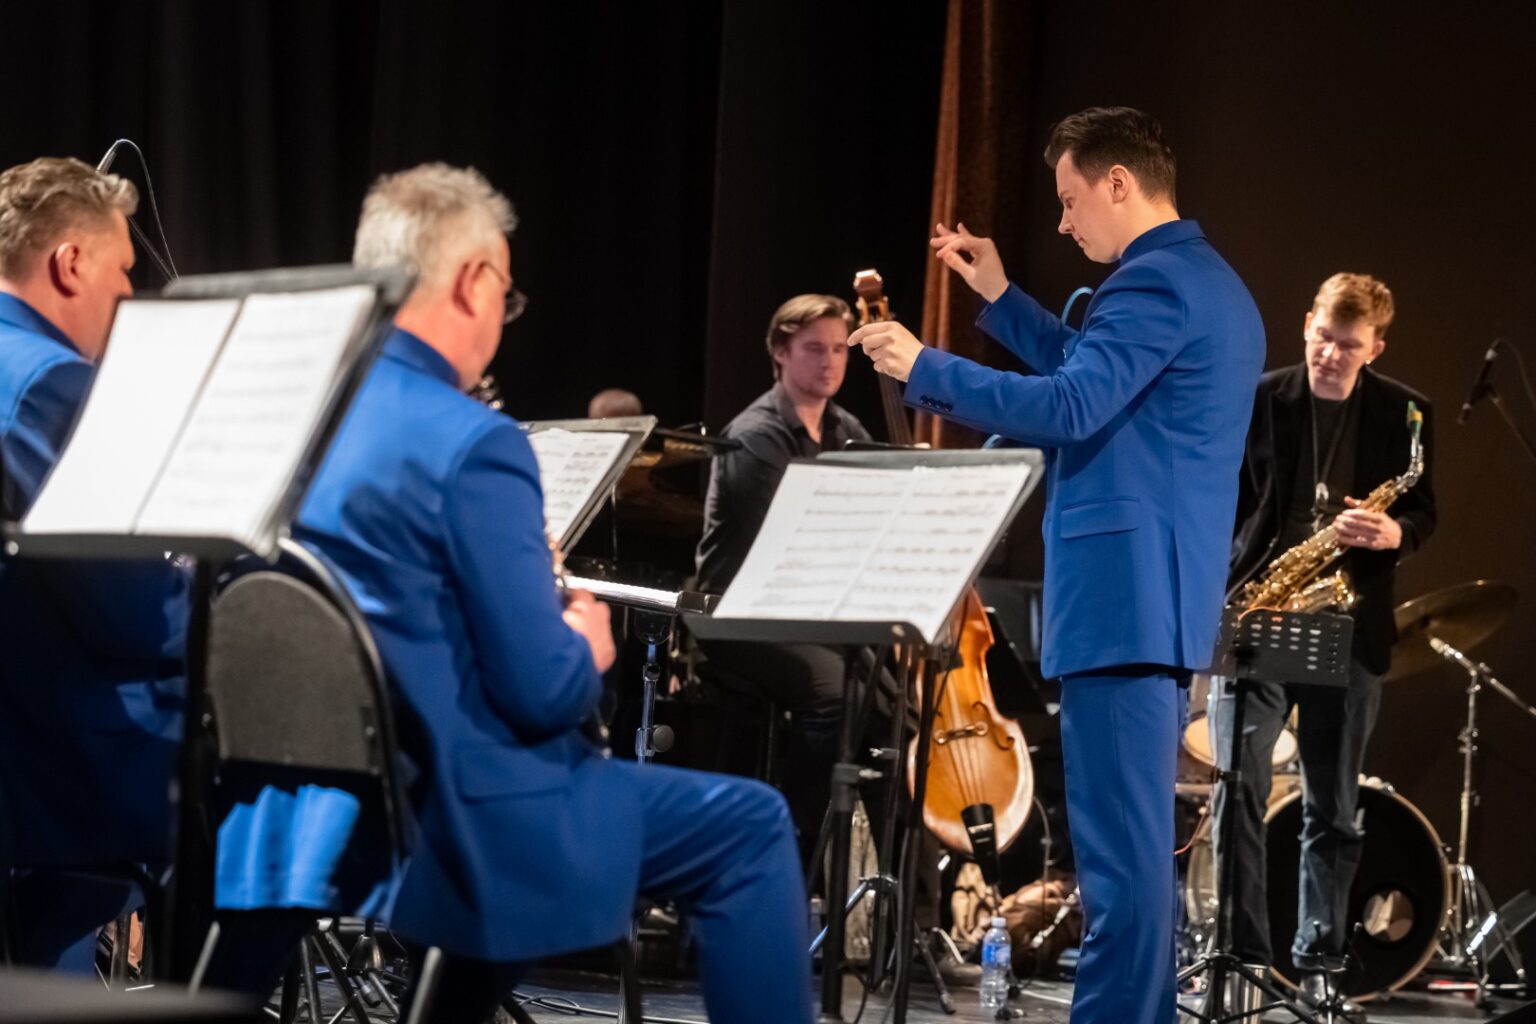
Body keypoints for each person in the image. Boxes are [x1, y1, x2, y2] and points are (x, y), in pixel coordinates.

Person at [289, 163, 810, 1024]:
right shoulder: (476, 441)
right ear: (472, 281)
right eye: (507, 293)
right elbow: (541, 693)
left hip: (325, 792)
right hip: (463, 801)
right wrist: (585, 645)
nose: (505, 317)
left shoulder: (306, 417)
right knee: (749, 824)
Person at [847, 107, 1266, 1024]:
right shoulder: (1205, 281)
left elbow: (1074, 405)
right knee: (1132, 863)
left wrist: (924, 365)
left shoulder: (1151, 283)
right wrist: (1000, 296)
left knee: (1118, 874)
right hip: (1155, 602)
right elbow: (1094, 368)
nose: (1066, 222)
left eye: (1072, 200)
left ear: (1119, 183)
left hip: (1123, 603)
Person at [1216, 272, 1435, 1009]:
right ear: (1306, 322)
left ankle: (1318, 965)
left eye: (1348, 346)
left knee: (1333, 809)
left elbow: (1425, 511)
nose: (1331, 356)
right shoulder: (1261, 399)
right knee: (1238, 788)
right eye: (1321, 339)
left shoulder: (1407, 413)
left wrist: (1395, 532)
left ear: (1376, 347)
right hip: (1264, 614)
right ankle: (1244, 960)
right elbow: (1228, 502)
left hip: (1348, 626)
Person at [0, 156, 185, 971]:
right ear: (70, 262)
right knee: (283, 770)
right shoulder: (53, 383)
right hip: (41, 750)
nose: (130, 293)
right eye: (123, 269)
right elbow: (136, 615)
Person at [694, 294, 874, 856]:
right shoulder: (755, 434)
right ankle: (794, 843)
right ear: (779, 352)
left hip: (810, 608)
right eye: (814, 348)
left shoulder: (846, 429)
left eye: (840, 349)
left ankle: (890, 865)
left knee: (893, 687)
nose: (830, 361)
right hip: (737, 610)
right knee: (835, 690)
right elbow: (787, 547)